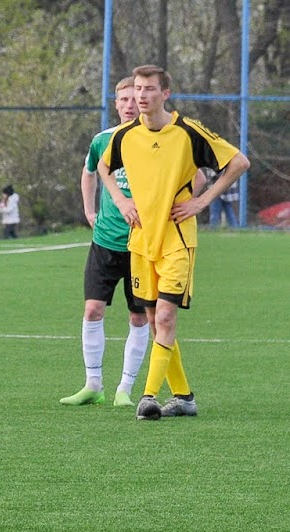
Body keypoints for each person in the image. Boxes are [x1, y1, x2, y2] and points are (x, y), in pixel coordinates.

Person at [98, 64, 250, 420]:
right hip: (140, 241)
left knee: (165, 316)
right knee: (154, 322)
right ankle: (183, 397)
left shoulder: (187, 131)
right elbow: (103, 167)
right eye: (137, 88)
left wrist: (201, 201)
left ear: (165, 94)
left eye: (149, 89)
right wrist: (121, 202)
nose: (141, 95)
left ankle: (148, 396)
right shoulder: (124, 135)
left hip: (177, 239)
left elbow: (238, 162)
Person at [60, 76, 151, 408]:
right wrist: (88, 209)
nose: (129, 104)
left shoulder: (156, 142)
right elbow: (88, 172)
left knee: (139, 317)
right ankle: (93, 384)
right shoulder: (102, 140)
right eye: (123, 99)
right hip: (105, 242)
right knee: (93, 309)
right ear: (115, 104)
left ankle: (124, 389)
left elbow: (192, 177)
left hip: (143, 245)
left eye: (134, 98)